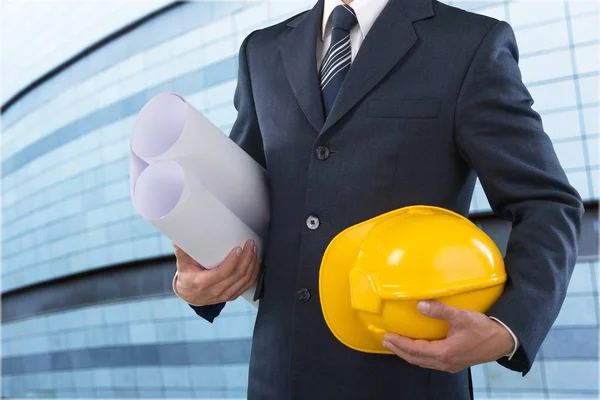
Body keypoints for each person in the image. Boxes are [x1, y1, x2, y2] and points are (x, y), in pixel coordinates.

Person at [172, 0, 584, 398]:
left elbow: (546, 202)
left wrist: (506, 327)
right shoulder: (260, 51)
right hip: (278, 377)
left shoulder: (468, 43)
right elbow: (238, 200)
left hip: (409, 375)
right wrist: (194, 281)